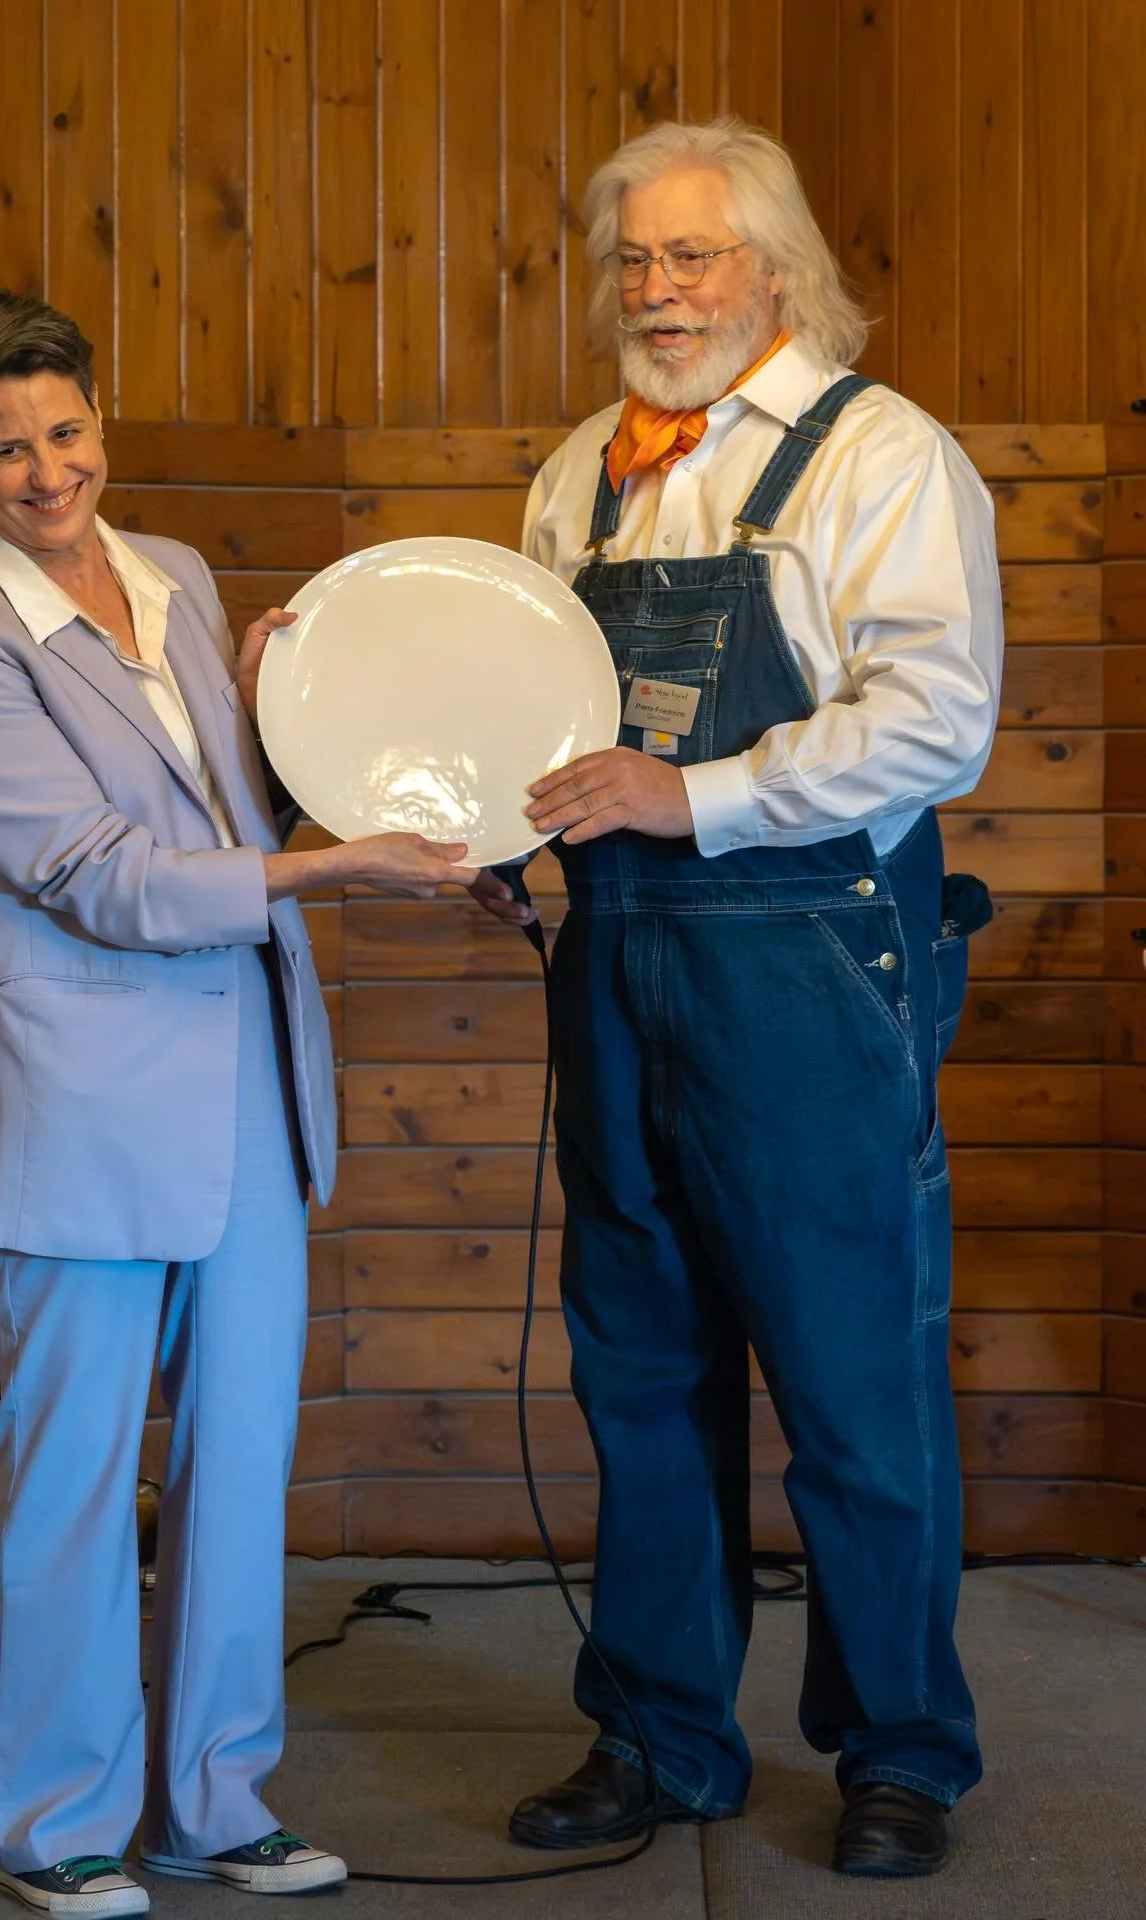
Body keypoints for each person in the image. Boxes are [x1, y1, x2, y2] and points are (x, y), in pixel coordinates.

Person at [0, 290, 477, 1917]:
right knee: (73, 1476)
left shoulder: (185, 580)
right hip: (79, 1109)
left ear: (102, 422)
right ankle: (61, 1825)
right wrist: (341, 862)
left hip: (243, 1084)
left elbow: (242, 809)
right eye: (4, 448)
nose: (43, 471)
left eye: (64, 432)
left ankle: (217, 1803)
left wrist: (383, 801)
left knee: (237, 1461)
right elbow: (100, 876)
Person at [471, 118, 1002, 1879]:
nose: (658, 289)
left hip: (806, 967)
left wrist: (685, 795)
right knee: (641, 1375)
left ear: (774, 269)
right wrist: (490, 819)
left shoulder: (882, 458)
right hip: (618, 960)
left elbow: (935, 719)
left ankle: (901, 1751)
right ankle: (657, 1733)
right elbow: (531, 708)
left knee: (854, 1383)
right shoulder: (578, 476)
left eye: (692, 256)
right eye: (634, 260)